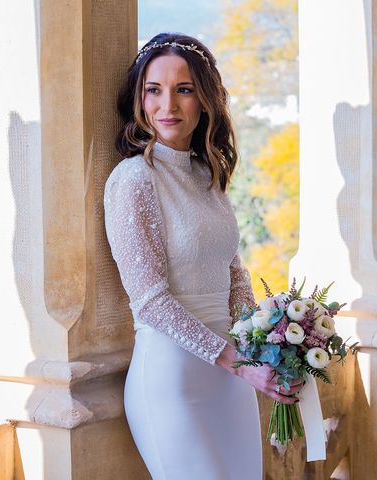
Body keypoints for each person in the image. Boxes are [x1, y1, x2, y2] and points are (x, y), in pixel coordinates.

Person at [104, 32, 304, 479]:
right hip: (172, 383)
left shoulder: (206, 174)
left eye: (184, 89)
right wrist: (242, 364)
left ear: (205, 100)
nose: (167, 105)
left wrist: (265, 352)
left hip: (231, 384)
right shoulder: (133, 180)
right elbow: (150, 301)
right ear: (139, 99)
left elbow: (234, 277)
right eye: (153, 90)